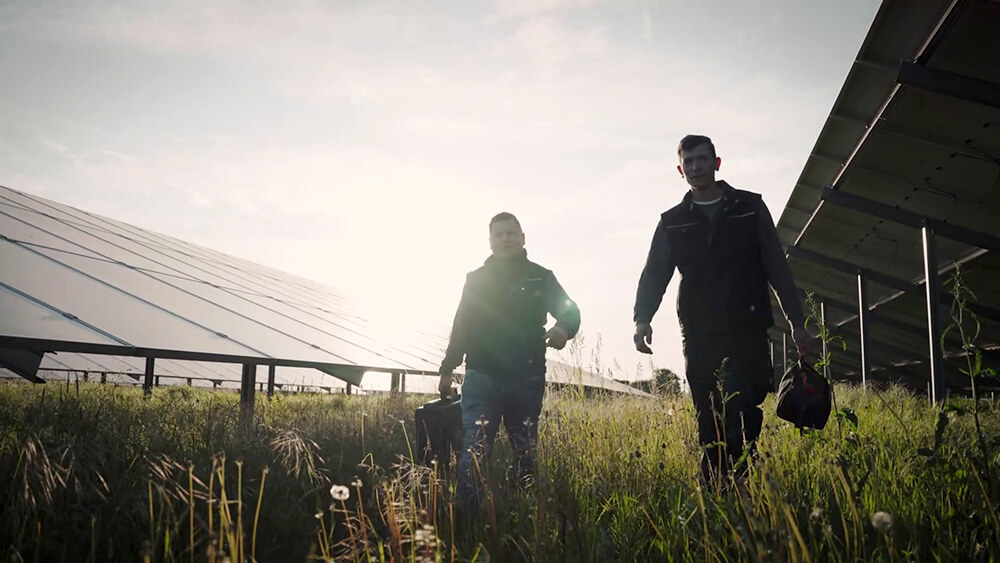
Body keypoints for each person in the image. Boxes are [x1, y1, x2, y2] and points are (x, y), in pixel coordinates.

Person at [633, 134, 809, 485]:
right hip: (700, 330)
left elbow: (777, 267)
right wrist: (642, 318)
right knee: (708, 409)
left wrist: (797, 323)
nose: (696, 167)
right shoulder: (673, 221)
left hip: (749, 324)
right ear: (680, 169)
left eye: (702, 160)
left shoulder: (750, 207)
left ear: (717, 163)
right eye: (689, 162)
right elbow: (655, 272)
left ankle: (742, 474)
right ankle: (715, 483)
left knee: (746, 404)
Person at [438, 211, 580, 508]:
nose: (505, 239)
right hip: (481, 377)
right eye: (499, 234)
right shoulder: (475, 280)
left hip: (526, 378)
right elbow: (461, 324)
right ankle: (470, 518)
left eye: (511, 233)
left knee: (524, 450)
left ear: (523, 238)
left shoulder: (542, 276)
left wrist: (562, 329)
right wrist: (447, 369)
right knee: (474, 449)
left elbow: (570, 311)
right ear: (490, 242)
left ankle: (523, 513)